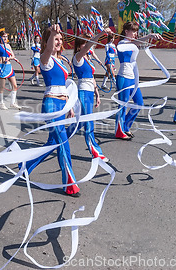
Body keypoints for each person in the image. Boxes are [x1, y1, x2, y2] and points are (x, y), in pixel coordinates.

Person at [24, 24, 81, 197]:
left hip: (61, 105)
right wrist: (52, 34)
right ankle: (70, 184)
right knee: (63, 143)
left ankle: (25, 167)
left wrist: (69, 106)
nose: (58, 41)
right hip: (50, 105)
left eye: (60, 39)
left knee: (52, 143)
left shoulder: (61, 60)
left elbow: (65, 86)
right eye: (55, 38)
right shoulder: (45, 58)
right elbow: (48, 49)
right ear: (48, 40)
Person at [115, 22, 161, 140]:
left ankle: (125, 126)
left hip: (132, 78)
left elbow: (135, 44)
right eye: (133, 31)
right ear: (126, 31)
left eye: (136, 32)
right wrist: (149, 36)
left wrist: (151, 38)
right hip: (123, 77)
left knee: (139, 103)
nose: (135, 34)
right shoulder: (122, 43)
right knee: (123, 105)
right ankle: (119, 131)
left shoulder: (132, 44)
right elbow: (133, 43)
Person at [72, 32, 108, 161]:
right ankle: (95, 152)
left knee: (80, 122)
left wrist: (97, 94)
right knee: (88, 123)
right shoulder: (78, 57)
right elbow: (88, 46)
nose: (89, 47)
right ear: (79, 46)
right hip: (82, 91)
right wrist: (101, 34)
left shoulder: (87, 58)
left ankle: (61, 136)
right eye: (85, 44)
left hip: (89, 92)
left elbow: (92, 78)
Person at [0, 31, 21, 110]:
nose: (5, 38)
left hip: (9, 67)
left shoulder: (8, 45)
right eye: (4, 36)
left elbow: (13, 55)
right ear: (0, 37)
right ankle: (1, 103)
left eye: (6, 36)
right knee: (2, 87)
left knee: (15, 86)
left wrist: (9, 58)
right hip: (2, 67)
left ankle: (12, 103)